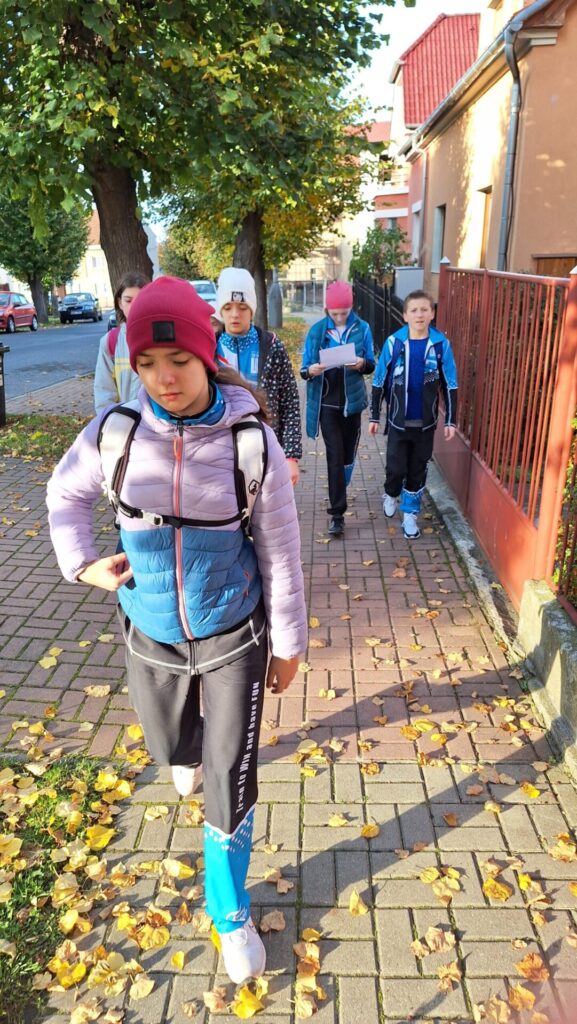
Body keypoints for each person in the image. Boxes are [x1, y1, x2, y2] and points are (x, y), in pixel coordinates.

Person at [47, 276, 307, 985]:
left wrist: (288, 644)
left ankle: (229, 914)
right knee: (171, 748)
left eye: (179, 361)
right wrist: (81, 564)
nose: (164, 378)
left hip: (233, 632)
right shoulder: (116, 434)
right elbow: (63, 494)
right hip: (151, 630)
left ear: (205, 355)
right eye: (147, 364)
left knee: (229, 774)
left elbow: (281, 551)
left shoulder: (249, 443)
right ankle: (183, 750)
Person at [368, 289, 458, 539]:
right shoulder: (394, 343)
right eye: (414, 310)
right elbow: (379, 380)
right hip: (398, 421)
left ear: (432, 313)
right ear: (405, 315)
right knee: (396, 468)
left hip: (425, 424)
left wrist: (451, 420)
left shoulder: (440, 345)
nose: (419, 314)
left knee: (418, 469)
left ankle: (410, 515)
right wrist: (375, 416)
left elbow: (450, 384)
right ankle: (390, 493)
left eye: (424, 310)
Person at [214, 267, 302, 486]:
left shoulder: (272, 346)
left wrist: (291, 456)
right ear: (220, 310)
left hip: (268, 449)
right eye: (228, 307)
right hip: (222, 454)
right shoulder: (209, 349)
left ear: (252, 310)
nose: (235, 314)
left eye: (242, 307)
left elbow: (289, 402)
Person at [300, 281, 375, 536]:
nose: (340, 318)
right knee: (334, 456)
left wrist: (361, 363)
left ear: (351, 307)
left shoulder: (363, 328)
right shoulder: (317, 331)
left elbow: (371, 364)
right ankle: (337, 515)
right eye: (335, 313)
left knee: (346, 458)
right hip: (327, 404)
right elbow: (304, 369)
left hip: (352, 404)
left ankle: (341, 484)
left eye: (344, 312)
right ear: (327, 309)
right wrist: (312, 370)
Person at [93, 271, 150, 413]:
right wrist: (109, 421)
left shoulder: (164, 337)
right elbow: (104, 393)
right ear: (120, 303)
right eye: (128, 301)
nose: (134, 306)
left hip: (159, 422)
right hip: (126, 421)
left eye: (140, 300)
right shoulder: (110, 342)